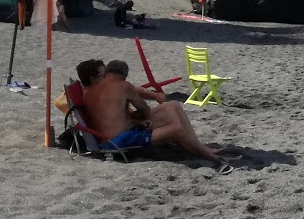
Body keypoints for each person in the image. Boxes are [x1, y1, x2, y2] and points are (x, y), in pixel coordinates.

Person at [83, 60, 229, 169]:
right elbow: (145, 111)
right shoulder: (121, 86)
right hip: (117, 141)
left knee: (172, 106)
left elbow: (110, 118)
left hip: (118, 134)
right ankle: (211, 158)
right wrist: (137, 117)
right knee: (176, 129)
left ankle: (202, 148)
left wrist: (134, 121)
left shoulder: (90, 91)